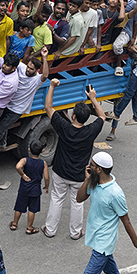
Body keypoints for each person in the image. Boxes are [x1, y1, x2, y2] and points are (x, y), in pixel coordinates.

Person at [67, 151, 137, 274]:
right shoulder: (95, 182)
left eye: (91, 165)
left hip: (103, 243)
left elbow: (126, 220)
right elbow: (79, 198)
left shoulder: (116, 193)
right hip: (98, 238)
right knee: (112, 271)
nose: (88, 166)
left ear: (99, 169)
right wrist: (87, 179)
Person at [42, 79, 105, 239]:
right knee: (78, 202)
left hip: (60, 172)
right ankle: (75, 232)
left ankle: (50, 230)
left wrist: (51, 86)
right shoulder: (91, 130)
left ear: (74, 115)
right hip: (79, 176)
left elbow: (48, 108)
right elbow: (102, 116)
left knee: (56, 199)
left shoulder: (64, 127)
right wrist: (93, 98)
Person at [0, 47, 49, 156]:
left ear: (37, 70)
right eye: (28, 67)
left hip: (18, 109)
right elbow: (7, 63)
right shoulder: (21, 67)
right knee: (2, 126)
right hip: (7, 103)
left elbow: (45, 75)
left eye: (31, 69)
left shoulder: (37, 80)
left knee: (1, 127)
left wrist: (44, 57)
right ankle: (3, 146)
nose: (28, 70)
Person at [10, 141, 49, 234]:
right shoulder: (43, 163)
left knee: (19, 207)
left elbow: (18, 167)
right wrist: (46, 186)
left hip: (24, 188)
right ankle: (29, 227)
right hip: (35, 190)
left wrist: (23, 175)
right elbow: (46, 177)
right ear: (41, 152)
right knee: (32, 209)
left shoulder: (25, 160)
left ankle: (14, 224)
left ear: (29, 149)